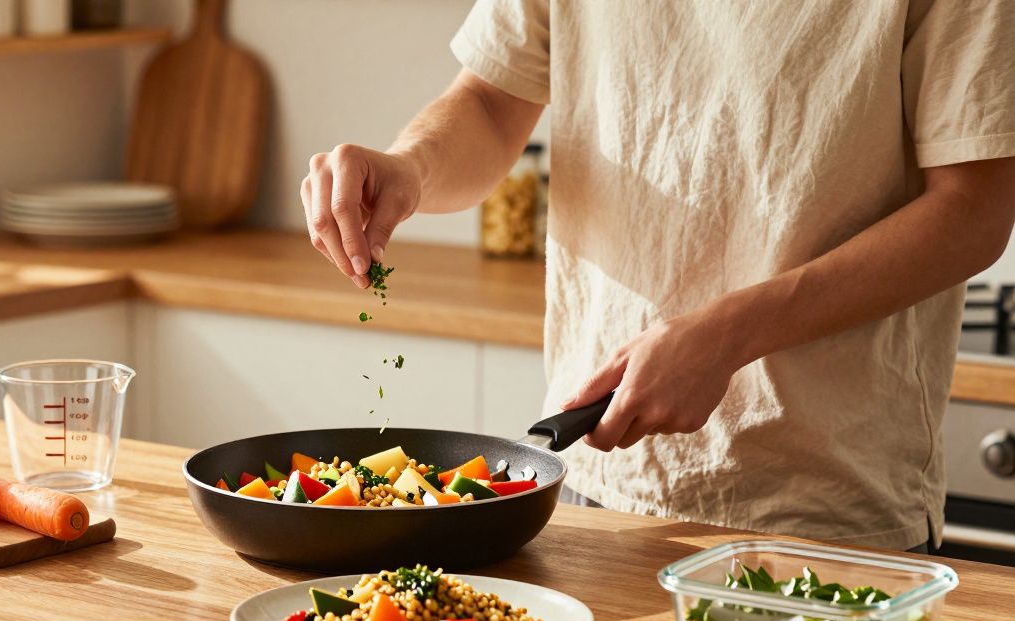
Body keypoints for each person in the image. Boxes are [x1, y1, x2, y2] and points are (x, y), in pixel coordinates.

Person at [299, 2, 1015, 551]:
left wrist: (728, 335)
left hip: (824, 507)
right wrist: (409, 166)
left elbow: (973, 210)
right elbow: (490, 102)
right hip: (597, 479)